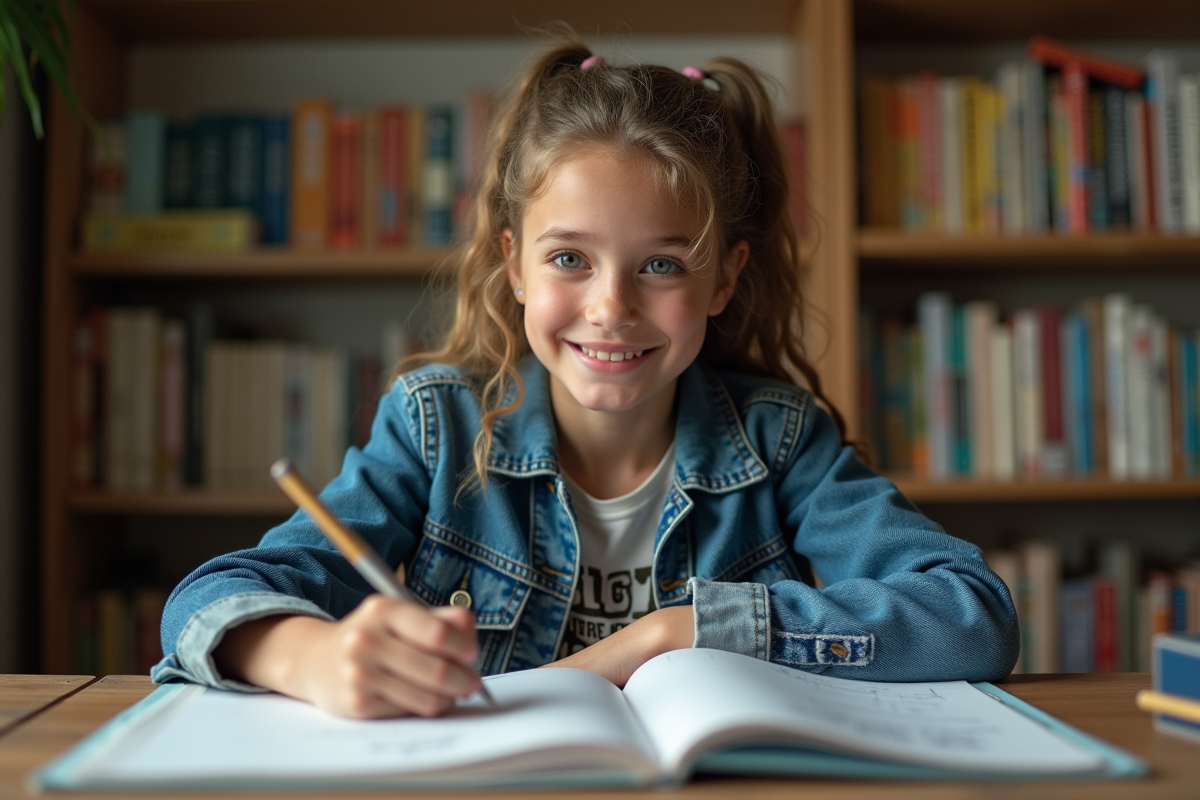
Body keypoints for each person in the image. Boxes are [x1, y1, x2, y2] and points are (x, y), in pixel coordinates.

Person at [154, 40, 1019, 720]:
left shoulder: (782, 443)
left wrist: (679, 632)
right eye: (570, 257)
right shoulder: (436, 428)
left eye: (662, 266)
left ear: (723, 279)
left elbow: (970, 614)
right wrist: (314, 658)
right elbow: (208, 602)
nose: (610, 307)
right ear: (515, 265)